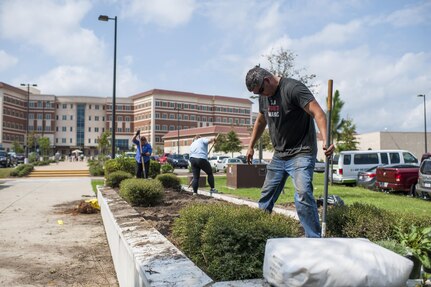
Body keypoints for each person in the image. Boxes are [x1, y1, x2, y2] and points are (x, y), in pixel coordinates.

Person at [245, 66, 335, 238]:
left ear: (267, 80)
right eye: (257, 94)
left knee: (302, 193)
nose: (261, 95)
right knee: (266, 195)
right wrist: (251, 146)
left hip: (302, 151)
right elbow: (261, 120)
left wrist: (327, 140)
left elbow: (318, 113)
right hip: (280, 154)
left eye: (261, 90)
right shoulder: (264, 95)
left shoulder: (293, 88)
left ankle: (314, 239)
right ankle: (258, 235)